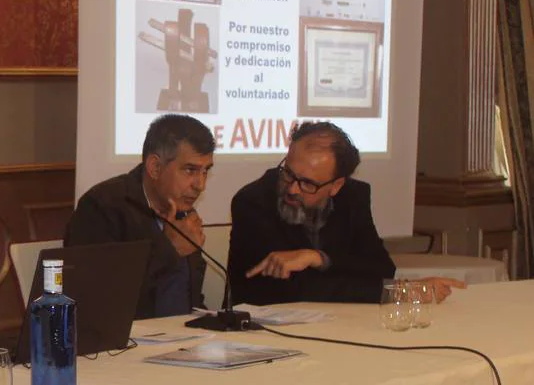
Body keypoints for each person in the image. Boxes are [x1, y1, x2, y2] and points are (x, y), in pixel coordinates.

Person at [228, 121, 464, 304]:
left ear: (336, 186)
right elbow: (296, 290)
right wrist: (396, 293)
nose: (292, 188)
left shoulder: (352, 197)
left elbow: (380, 267)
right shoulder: (252, 202)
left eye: (308, 183)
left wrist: (317, 257)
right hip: (267, 329)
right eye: (288, 173)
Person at [64, 114, 213, 320]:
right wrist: (169, 249)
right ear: (155, 167)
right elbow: (97, 299)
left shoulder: (184, 213)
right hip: (125, 345)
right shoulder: (103, 207)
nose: (200, 185)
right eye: (190, 170)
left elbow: (189, 298)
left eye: (205, 171)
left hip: (186, 339)